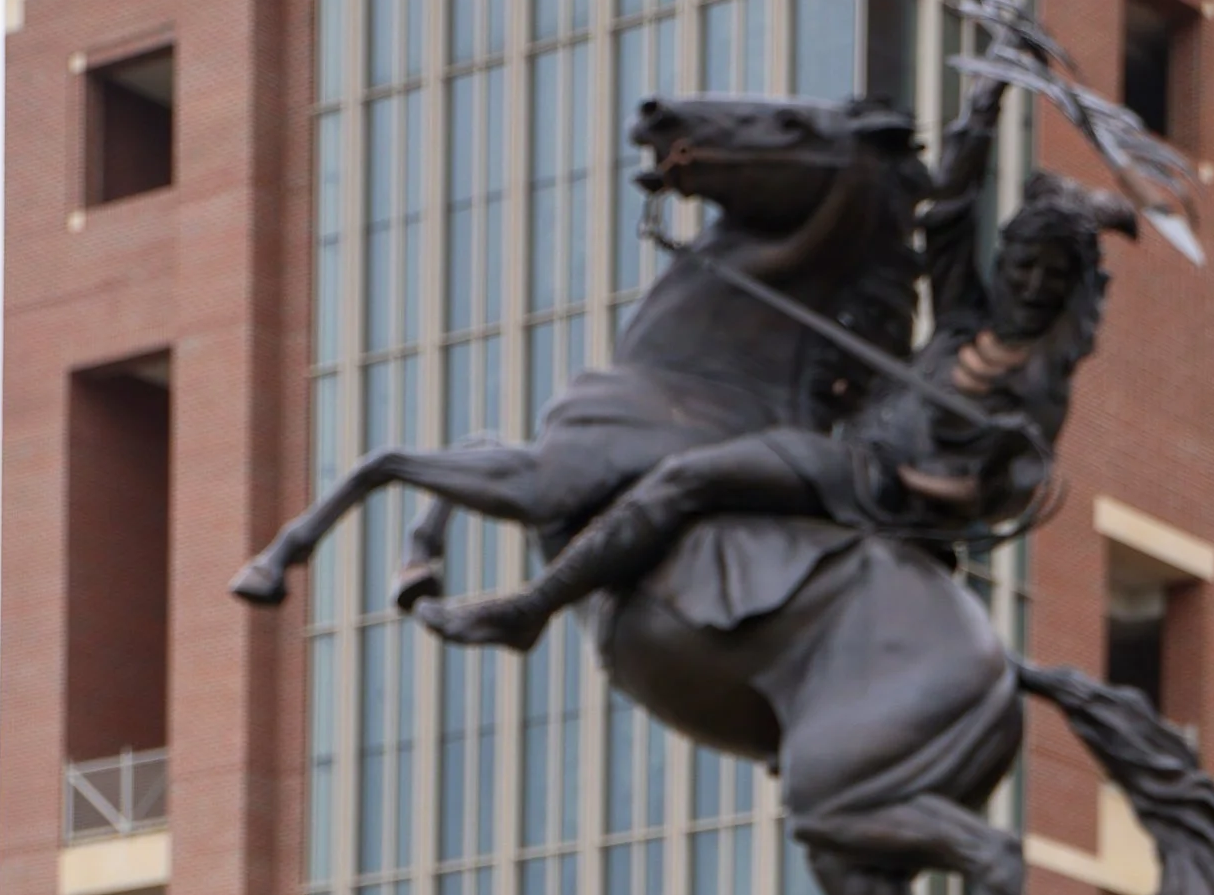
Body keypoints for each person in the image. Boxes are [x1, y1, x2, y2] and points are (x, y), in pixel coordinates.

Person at [417, 80, 1131, 657]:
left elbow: (1008, 482)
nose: (1032, 284)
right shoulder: (961, 321)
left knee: (690, 477)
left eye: (1051, 275)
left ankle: (532, 608)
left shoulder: (1043, 376)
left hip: (870, 481)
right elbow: (947, 216)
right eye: (1022, 266)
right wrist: (982, 112)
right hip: (850, 444)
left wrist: (953, 476)